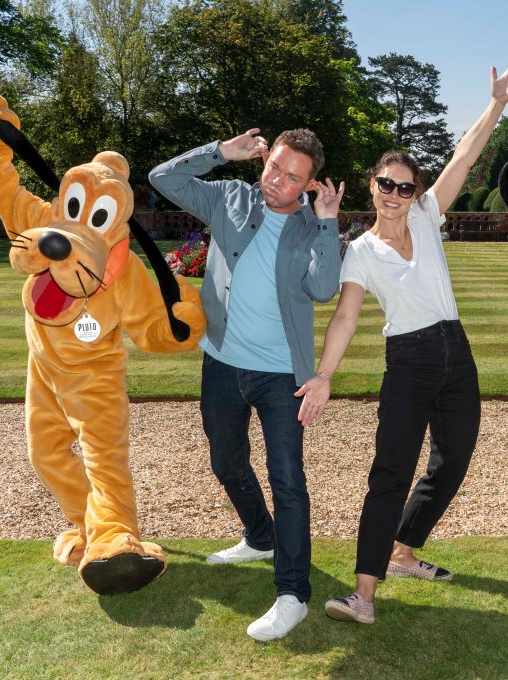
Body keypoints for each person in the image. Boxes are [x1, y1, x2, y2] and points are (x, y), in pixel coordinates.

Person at [293, 56, 508, 624]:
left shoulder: (428, 214)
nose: (395, 194)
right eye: (385, 184)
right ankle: (363, 595)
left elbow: (466, 155)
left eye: (404, 186)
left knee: (454, 459)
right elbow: (346, 317)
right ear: (372, 186)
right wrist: (323, 375)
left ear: (415, 191)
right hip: (410, 361)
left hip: (456, 353)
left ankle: (404, 550)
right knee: (391, 473)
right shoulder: (361, 251)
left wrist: (498, 101)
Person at [149, 128, 344, 640]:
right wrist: (217, 153)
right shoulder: (230, 197)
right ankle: (259, 535)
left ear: (308, 185)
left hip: (282, 377)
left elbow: (325, 290)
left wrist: (327, 224)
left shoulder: (311, 226)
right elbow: (160, 178)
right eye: (273, 166)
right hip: (221, 364)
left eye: (291, 177)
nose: (276, 180)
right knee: (226, 463)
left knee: (288, 480)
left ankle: (293, 593)